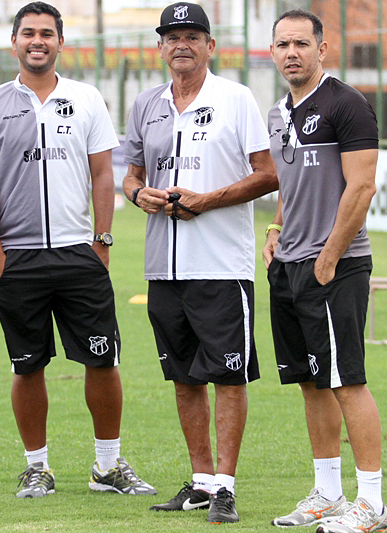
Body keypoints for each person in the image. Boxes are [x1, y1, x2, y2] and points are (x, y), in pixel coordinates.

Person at [0, 1, 155, 499]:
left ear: (60, 43)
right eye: (28, 33)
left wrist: (103, 239)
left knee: (102, 360)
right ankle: (37, 467)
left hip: (79, 254)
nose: (37, 41)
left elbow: (102, 173)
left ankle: (107, 467)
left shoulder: (87, 98)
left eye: (47, 33)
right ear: (14, 43)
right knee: (27, 365)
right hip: (18, 257)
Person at [121, 2, 278, 524]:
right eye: (172, 36)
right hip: (163, 268)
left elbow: (268, 173)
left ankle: (228, 487)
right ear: (160, 47)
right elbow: (131, 174)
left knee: (229, 378)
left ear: (211, 46)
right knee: (184, 378)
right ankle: (202, 481)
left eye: (192, 35)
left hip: (221, 265)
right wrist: (138, 193)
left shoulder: (236, 98)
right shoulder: (146, 103)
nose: (181, 44)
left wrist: (207, 199)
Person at [263, 9, 387, 533]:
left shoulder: (347, 104)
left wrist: (329, 257)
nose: (291, 52)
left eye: (300, 43)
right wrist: (274, 231)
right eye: (282, 44)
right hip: (289, 266)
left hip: (333, 267)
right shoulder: (277, 112)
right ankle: (328, 493)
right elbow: (291, 189)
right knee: (312, 384)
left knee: (347, 381)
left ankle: (373, 504)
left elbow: (361, 188)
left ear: (322, 49)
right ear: (272, 53)